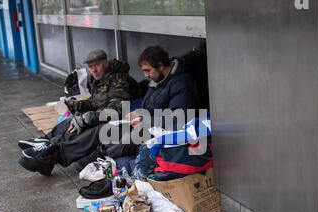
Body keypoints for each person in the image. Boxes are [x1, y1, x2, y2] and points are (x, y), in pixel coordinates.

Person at [17, 50, 139, 176]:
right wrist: (78, 105)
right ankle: (46, 143)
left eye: (97, 65)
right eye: (90, 67)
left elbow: (115, 109)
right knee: (74, 119)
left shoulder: (119, 80)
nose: (94, 70)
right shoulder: (99, 79)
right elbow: (96, 102)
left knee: (84, 125)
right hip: (107, 118)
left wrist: (88, 117)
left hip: (120, 121)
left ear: (106, 63)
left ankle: (49, 156)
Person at [127, 45, 200, 181]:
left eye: (148, 70)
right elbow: (149, 107)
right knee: (117, 137)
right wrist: (138, 113)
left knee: (143, 146)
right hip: (152, 128)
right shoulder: (157, 80)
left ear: (160, 65)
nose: (145, 75)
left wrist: (145, 121)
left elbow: (178, 118)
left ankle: (136, 183)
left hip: (171, 135)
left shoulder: (182, 82)